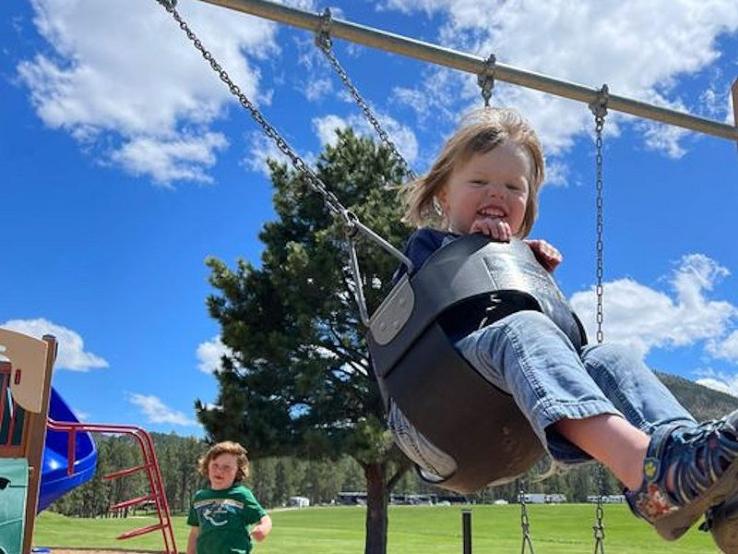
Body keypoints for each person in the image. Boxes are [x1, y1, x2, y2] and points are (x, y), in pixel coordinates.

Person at [387, 106, 738, 545]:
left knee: (609, 356)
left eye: (513, 187)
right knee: (523, 329)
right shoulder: (427, 246)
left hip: (505, 408)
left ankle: (713, 488)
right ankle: (651, 474)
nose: (497, 193)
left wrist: (529, 274)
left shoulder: (520, 268)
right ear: (442, 195)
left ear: (527, 206)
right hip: (432, 407)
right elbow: (431, 312)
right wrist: (488, 251)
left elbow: (564, 350)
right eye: (479, 182)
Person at [187, 441, 272, 554]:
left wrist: (263, 529)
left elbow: (265, 519)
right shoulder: (200, 497)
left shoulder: (241, 495)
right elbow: (194, 533)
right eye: (215, 465)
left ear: (238, 471)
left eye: (226, 467)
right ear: (207, 466)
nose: (219, 470)